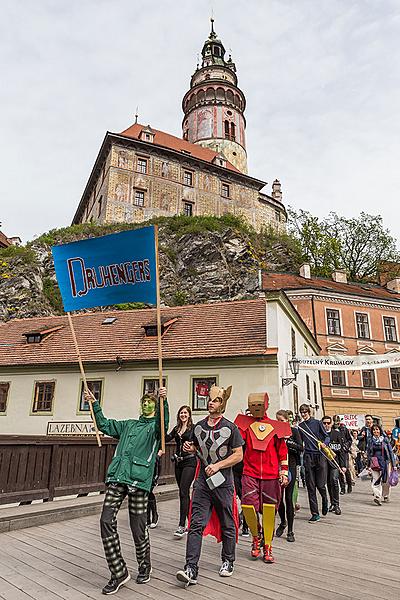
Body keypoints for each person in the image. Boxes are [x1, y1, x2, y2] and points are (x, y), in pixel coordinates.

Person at [85, 387, 169, 595]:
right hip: (117, 477)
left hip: (139, 480)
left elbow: (162, 425)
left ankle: (144, 564)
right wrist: (94, 404)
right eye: (144, 401)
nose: (146, 404)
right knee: (105, 520)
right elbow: (104, 424)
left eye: (150, 402)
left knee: (138, 527)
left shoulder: (155, 429)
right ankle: (118, 572)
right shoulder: (128, 425)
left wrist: (163, 403)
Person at [176, 385, 244, 586]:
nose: (210, 403)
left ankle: (228, 560)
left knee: (227, 523)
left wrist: (218, 466)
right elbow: (195, 447)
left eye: (215, 400)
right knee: (195, 524)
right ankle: (191, 568)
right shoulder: (198, 427)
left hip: (224, 484)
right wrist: (190, 448)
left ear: (222, 403)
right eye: (210, 400)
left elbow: (238, 454)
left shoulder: (231, 428)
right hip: (203, 484)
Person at [235, 393, 290, 563]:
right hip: (250, 472)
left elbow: (282, 450)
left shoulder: (276, 427)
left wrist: (284, 471)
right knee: (248, 506)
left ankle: (267, 545)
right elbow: (237, 443)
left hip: (271, 474)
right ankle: (255, 536)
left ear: (266, 405)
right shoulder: (244, 426)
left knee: (269, 509)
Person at [165, 405, 196, 537]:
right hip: (178, 463)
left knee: (184, 491)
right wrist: (160, 427)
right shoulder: (177, 429)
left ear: (189, 415)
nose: (183, 415)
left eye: (185, 413)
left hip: (190, 461)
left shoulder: (193, 429)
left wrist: (193, 446)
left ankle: (181, 525)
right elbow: (166, 439)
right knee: (183, 494)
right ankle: (191, 522)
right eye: (181, 413)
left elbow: (199, 443)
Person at [275, 410, 303, 542]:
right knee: (279, 499)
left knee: (289, 498)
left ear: (287, 420)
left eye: (281, 420)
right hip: (278, 467)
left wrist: (288, 443)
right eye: (277, 420)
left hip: (290, 466)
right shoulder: (274, 432)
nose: (279, 423)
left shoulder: (294, 431)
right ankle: (282, 522)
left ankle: (291, 530)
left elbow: (300, 447)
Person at [298, 404, 329, 523]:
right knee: (310, 486)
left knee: (320, 485)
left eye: (305, 412)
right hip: (308, 456)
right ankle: (315, 513)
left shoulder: (317, 423)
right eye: (301, 412)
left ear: (309, 412)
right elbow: (300, 442)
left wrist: (324, 443)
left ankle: (325, 499)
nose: (303, 414)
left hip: (319, 455)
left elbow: (326, 436)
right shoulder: (301, 426)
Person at [367, 423, 396, 505]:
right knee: (376, 480)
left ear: (380, 430)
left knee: (386, 481)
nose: (375, 431)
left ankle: (385, 495)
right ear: (372, 431)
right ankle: (377, 497)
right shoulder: (370, 440)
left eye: (377, 429)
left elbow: (390, 452)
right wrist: (368, 465)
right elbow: (369, 452)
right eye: (374, 430)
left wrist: (394, 465)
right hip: (374, 462)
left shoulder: (385, 439)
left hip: (385, 462)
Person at [322, 416, 345, 515]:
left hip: (334, 462)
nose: (326, 425)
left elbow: (341, 451)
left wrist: (343, 465)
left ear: (331, 424)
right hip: (323, 463)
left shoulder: (336, 434)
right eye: (324, 423)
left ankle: (336, 504)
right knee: (328, 483)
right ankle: (332, 503)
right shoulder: (320, 434)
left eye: (328, 423)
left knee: (334, 480)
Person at [333, 417, 353, 495]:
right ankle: (342, 488)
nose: (336, 423)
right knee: (339, 470)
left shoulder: (344, 429)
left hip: (344, 452)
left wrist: (346, 445)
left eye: (337, 422)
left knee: (346, 469)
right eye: (335, 421)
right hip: (336, 452)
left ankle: (349, 484)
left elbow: (349, 440)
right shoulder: (332, 429)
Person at [147, 451, 162, 528]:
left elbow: (163, 441)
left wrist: (160, 452)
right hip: (143, 457)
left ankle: (154, 514)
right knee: (146, 490)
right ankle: (147, 517)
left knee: (149, 489)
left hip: (155, 457)